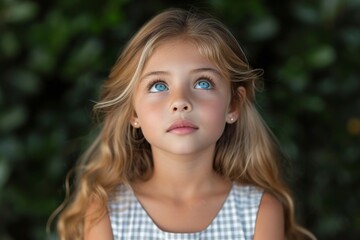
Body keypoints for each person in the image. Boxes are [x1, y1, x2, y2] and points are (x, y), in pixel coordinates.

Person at [51, 8, 316, 240]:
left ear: (233, 106)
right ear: (133, 112)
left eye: (203, 83)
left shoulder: (259, 211)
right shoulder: (108, 211)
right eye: (159, 85)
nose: (180, 101)